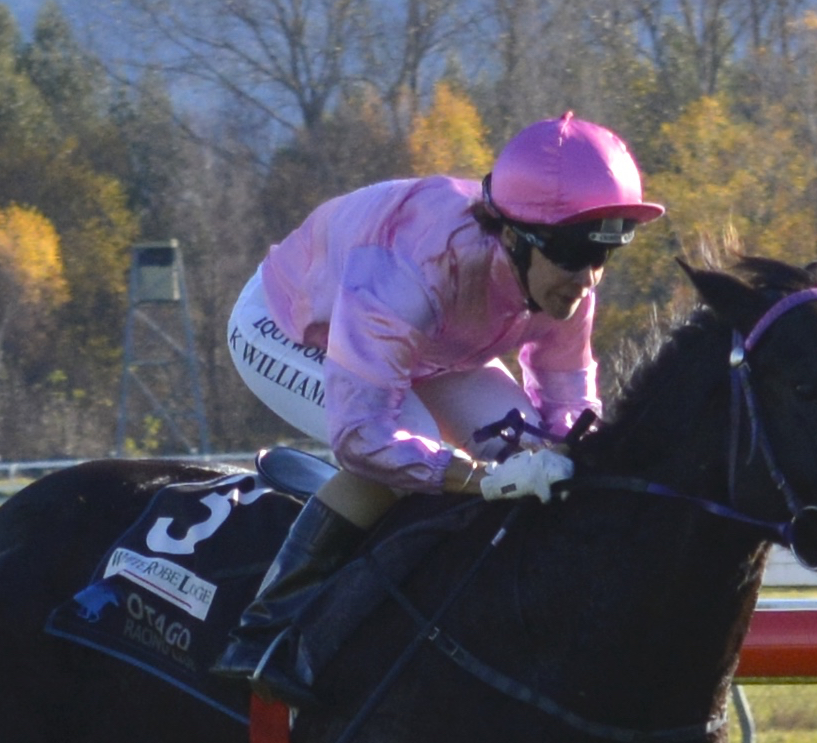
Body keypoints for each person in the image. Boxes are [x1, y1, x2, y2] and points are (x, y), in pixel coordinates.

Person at [212, 112, 663, 706]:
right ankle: (265, 630)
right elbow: (362, 435)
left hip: (429, 345)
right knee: (409, 454)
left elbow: (568, 404)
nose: (587, 279)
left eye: (603, 255)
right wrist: (481, 480)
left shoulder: (564, 280)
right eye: (575, 254)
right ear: (513, 235)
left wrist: (577, 460)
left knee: (528, 451)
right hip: (295, 324)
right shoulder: (416, 265)